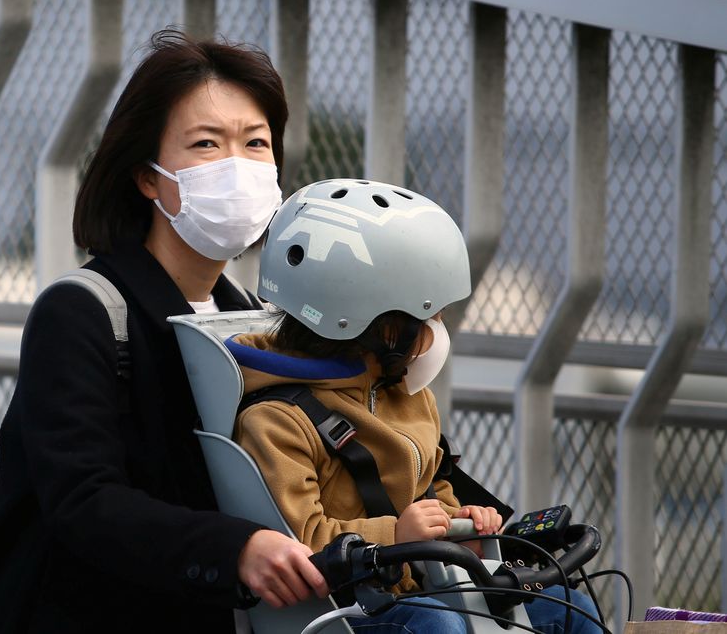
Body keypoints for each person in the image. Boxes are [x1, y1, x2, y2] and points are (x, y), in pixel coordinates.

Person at [0, 29, 329, 633]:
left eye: (256, 143)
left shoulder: (254, 321)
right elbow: (83, 500)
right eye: (207, 144)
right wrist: (233, 549)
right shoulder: (81, 312)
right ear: (147, 177)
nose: (237, 166)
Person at [231, 178, 602, 633]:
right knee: (438, 626)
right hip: (350, 609)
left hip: (424, 589)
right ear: (387, 330)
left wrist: (462, 520)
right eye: (431, 316)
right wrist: (396, 535)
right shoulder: (276, 421)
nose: (439, 329)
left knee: (569, 607)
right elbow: (300, 542)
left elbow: (429, 490)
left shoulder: (407, 395)